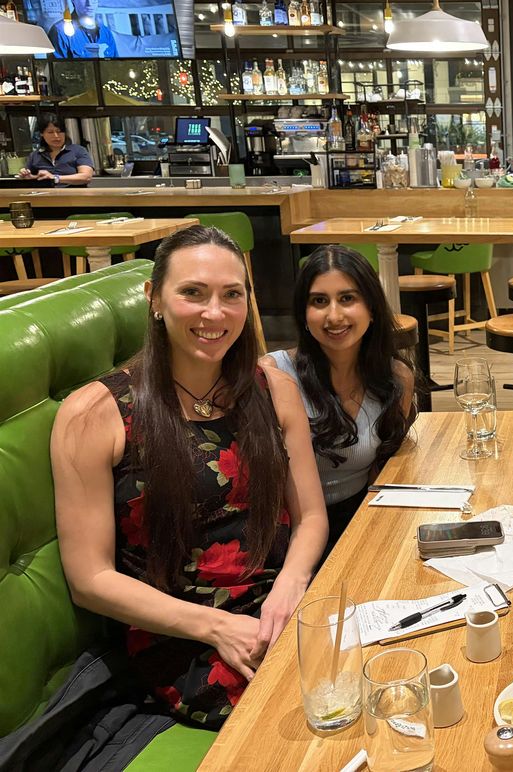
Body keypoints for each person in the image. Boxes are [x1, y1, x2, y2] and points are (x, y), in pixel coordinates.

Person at [51, 225, 327, 728]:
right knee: (308, 718)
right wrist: (219, 627)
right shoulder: (94, 414)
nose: (215, 313)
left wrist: (292, 583)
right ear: (154, 299)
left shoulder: (275, 390)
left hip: (287, 606)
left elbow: (310, 516)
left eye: (232, 295)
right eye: (193, 293)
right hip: (186, 638)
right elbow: (90, 579)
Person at [263, 245, 418, 551]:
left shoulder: (396, 378)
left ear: (371, 309)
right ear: (303, 314)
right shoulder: (273, 374)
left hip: (361, 519)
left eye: (347, 298)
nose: (334, 316)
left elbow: (382, 472)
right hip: (288, 531)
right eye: (319, 301)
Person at [47, 0, 119, 59]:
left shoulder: (106, 32)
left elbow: (118, 64)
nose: (89, 3)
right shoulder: (59, 32)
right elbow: (56, 66)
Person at [17, 113, 95, 186]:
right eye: (50, 132)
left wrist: (55, 178)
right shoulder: (35, 155)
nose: (56, 136)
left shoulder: (78, 150)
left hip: (73, 194)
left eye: (59, 132)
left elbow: (86, 177)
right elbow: (35, 178)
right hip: (45, 195)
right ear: (42, 134)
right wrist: (28, 177)